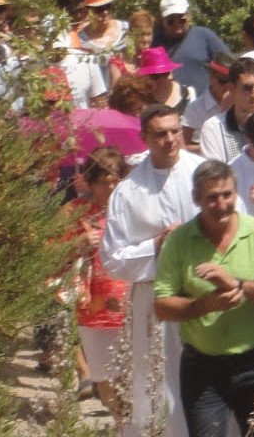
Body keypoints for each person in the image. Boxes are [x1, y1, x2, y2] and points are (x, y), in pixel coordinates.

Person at [154, 160, 254, 437]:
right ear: (196, 199)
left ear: (236, 193)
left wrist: (238, 284)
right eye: (212, 197)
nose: (221, 203)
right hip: (202, 368)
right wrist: (205, 305)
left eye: (227, 194)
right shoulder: (180, 241)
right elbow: (162, 306)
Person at [101, 104, 205, 437]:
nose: (171, 140)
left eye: (175, 131)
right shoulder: (129, 192)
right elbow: (113, 259)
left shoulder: (203, 174)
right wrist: (156, 245)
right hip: (155, 302)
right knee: (160, 384)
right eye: (160, 133)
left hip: (204, 293)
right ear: (145, 137)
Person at [65, 147, 132, 424]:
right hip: (92, 306)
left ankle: (132, 425)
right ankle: (122, 423)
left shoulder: (132, 210)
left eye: (116, 179)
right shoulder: (74, 212)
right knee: (103, 374)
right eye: (105, 181)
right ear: (91, 183)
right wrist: (78, 244)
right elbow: (48, 253)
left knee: (132, 371)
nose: (112, 186)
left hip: (131, 301)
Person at [154, 0, 231, 97]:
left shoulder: (204, 36)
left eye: (181, 19)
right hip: (170, 107)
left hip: (204, 106)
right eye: (171, 21)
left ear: (188, 15)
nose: (177, 24)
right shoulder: (156, 43)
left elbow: (229, 66)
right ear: (163, 21)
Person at [184, 52, 237, 152]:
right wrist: (210, 148)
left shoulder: (240, 103)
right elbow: (183, 145)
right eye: (223, 81)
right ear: (212, 78)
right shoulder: (195, 109)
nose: (229, 86)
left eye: (233, 82)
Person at [139, 46, 197, 115]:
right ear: (145, 76)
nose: (161, 80)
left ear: (170, 73)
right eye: (155, 76)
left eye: (165, 73)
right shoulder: (141, 98)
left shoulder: (188, 93)